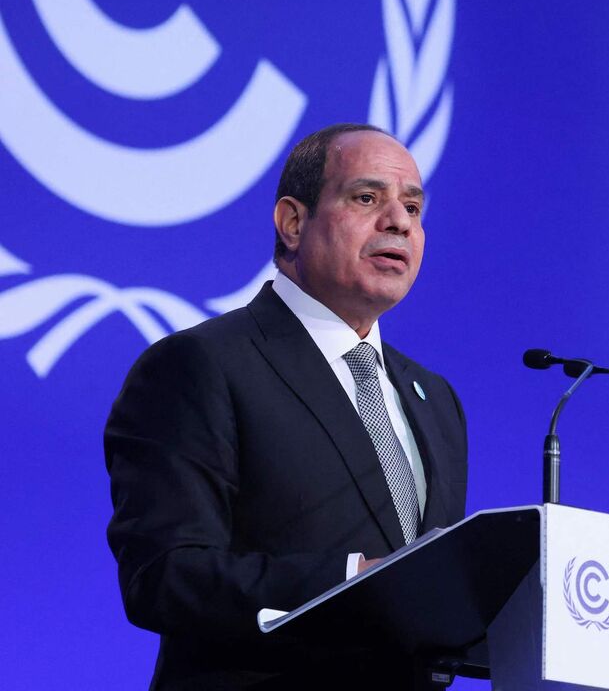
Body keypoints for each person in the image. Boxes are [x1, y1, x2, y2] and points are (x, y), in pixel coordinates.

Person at [104, 123, 468, 689]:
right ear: (293, 222)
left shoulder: (435, 399)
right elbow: (165, 576)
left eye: (413, 208)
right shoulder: (200, 366)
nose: (399, 221)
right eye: (366, 198)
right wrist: (351, 580)